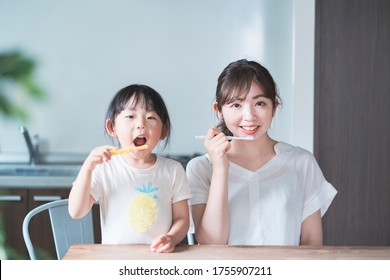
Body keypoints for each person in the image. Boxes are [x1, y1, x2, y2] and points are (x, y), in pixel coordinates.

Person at [186, 59, 337, 246]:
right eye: (236, 105)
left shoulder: (301, 162)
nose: (249, 116)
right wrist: (220, 168)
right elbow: (211, 242)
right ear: (219, 110)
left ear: (274, 106)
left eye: (259, 103)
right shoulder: (200, 168)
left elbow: (311, 243)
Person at [69, 84, 192, 253]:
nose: (141, 124)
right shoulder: (104, 169)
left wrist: (171, 237)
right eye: (130, 116)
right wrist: (87, 168)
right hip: (115, 261)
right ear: (112, 127)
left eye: (150, 118)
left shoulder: (173, 170)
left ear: (163, 131)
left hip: (158, 260)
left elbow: (182, 219)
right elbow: (76, 212)